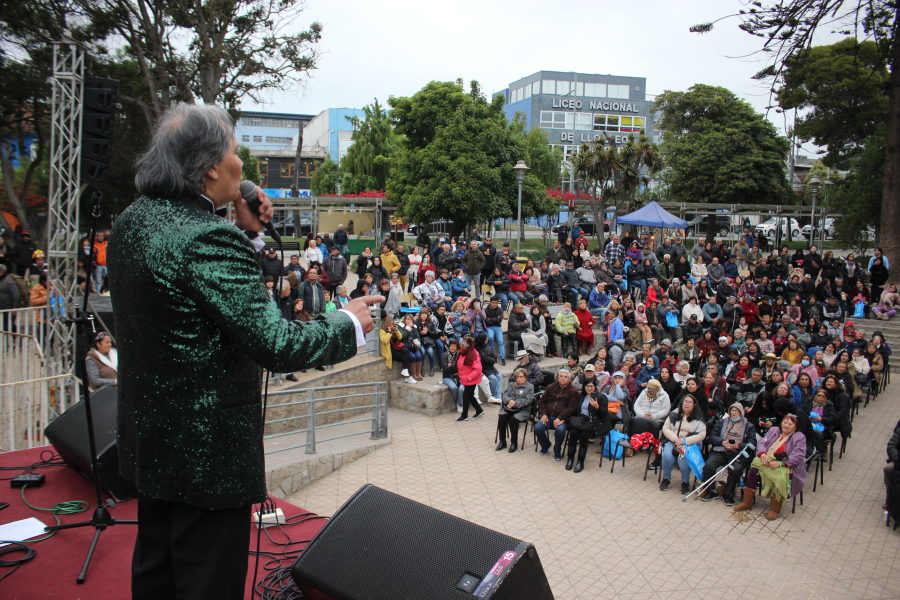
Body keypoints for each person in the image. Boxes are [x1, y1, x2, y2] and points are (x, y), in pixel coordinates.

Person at [107, 104, 379, 600]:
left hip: (153, 445)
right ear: (210, 167)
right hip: (208, 460)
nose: (244, 168)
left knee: (157, 576)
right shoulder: (209, 238)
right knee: (207, 583)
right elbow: (275, 342)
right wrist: (347, 325)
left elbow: (193, 295)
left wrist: (246, 229)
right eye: (235, 153)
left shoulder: (132, 222)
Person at [734, 413, 807, 521]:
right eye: (785, 422)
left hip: (785, 464)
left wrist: (781, 463)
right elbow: (762, 443)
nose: (786, 426)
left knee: (780, 478)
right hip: (768, 460)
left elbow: (798, 455)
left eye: (790, 424)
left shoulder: (799, 437)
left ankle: (775, 509)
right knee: (754, 471)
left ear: (795, 427)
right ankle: (747, 502)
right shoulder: (774, 430)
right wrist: (763, 454)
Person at [699, 402, 755, 505]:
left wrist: (738, 446)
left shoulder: (749, 426)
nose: (734, 413)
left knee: (737, 469)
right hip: (720, 450)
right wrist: (722, 442)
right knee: (708, 465)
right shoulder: (721, 422)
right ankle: (712, 491)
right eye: (732, 410)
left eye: (736, 411)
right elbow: (712, 436)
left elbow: (752, 443)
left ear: (741, 412)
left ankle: (728, 493)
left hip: (737, 453)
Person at [660, 394, 707, 494]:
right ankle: (666, 479)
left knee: (683, 459)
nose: (687, 404)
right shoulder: (674, 414)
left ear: (694, 405)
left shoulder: (699, 417)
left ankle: (685, 482)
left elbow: (702, 435)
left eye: (690, 402)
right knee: (667, 456)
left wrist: (684, 441)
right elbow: (665, 428)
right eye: (685, 401)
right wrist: (676, 439)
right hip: (674, 440)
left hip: (690, 444)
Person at [565, 380, 611, 473]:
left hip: (593, 423)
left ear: (595, 387)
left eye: (591, 386)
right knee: (573, 433)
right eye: (587, 386)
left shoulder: (601, 397)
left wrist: (597, 407)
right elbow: (574, 410)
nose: (589, 388)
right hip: (581, 421)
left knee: (583, 436)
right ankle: (570, 458)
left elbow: (604, 414)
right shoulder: (580, 396)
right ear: (584, 387)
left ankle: (580, 461)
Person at [534, 368, 580, 460]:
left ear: (569, 379)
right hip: (547, 416)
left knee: (560, 430)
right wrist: (543, 414)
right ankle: (546, 445)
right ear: (558, 377)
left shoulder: (573, 391)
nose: (563, 378)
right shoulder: (550, 387)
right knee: (538, 428)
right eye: (561, 376)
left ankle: (557, 450)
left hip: (562, 418)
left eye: (565, 377)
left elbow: (571, 408)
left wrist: (560, 418)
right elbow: (542, 402)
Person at [496, 368, 536, 453]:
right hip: (510, 408)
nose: (519, 379)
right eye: (517, 377)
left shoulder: (530, 387)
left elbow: (528, 400)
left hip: (523, 410)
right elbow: (505, 396)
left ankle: (514, 442)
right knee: (502, 417)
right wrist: (509, 401)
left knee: (513, 420)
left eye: (521, 377)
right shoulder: (511, 385)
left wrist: (515, 403)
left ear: (525, 377)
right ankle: (502, 441)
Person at [456, 336, 485, 422]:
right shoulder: (462, 352)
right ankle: (479, 410)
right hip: (466, 378)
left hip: (471, 379)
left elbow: (478, 369)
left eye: (461, 344)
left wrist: (469, 378)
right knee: (469, 395)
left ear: (465, 346)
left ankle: (464, 415)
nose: (459, 345)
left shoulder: (473, 354)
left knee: (466, 396)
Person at [475, 332, 503, 403]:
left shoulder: (488, 346)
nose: (487, 339)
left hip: (492, 368)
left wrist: (494, 359)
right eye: (486, 338)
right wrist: (494, 360)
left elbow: (494, 355)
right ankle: (492, 396)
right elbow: (486, 359)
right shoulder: (478, 349)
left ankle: (498, 396)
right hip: (485, 369)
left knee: (500, 377)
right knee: (493, 379)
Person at [441, 339, 464, 411]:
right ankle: (458, 399)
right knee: (454, 387)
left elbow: (461, 367)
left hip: (460, 376)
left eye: (454, 346)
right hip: (447, 376)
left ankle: (460, 404)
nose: (452, 348)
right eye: (451, 346)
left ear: (457, 347)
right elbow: (445, 368)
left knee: (461, 389)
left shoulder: (460, 355)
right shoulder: (445, 355)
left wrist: (451, 365)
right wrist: (455, 367)